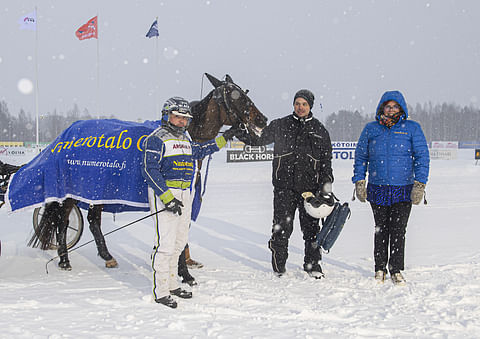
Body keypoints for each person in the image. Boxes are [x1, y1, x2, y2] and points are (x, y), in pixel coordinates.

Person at [141, 97, 235, 308]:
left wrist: (225, 137)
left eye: (185, 118)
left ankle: (173, 284)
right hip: (165, 194)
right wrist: (167, 198)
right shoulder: (156, 138)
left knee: (179, 243)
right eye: (178, 117)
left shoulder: (185, 139)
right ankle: (161, 291)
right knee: (165, 245)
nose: (182, 122)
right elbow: (149, 170)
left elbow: (200, 151)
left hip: (185, 194)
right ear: (167, 116)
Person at [234, 89, 334, 279]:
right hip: (284, 187)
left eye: (304, 104)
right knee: (281, 227)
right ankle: (279, 264)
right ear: (293, 105)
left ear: (310, 106)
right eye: (297, 103)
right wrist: (240, 130)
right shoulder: (280, 125)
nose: (300, 107)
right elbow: (258, 140)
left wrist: (326, 189)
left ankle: (312, 264)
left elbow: (326, 163)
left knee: (311, 229)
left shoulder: (320, 130)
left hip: (310, 191)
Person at [352, 90, 429, 285]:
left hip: (403, 189)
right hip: (378, 189)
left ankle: (395, 269)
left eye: (395, 106)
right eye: (388, 106)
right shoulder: (371, 129)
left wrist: (420, 184)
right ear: (382, 108)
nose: (391, 109)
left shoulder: (412, 128)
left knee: (398, 229)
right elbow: (361, 157)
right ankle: (379, 268)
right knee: (380, 229)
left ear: (401, 108)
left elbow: (422, 157)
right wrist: (359, 181)